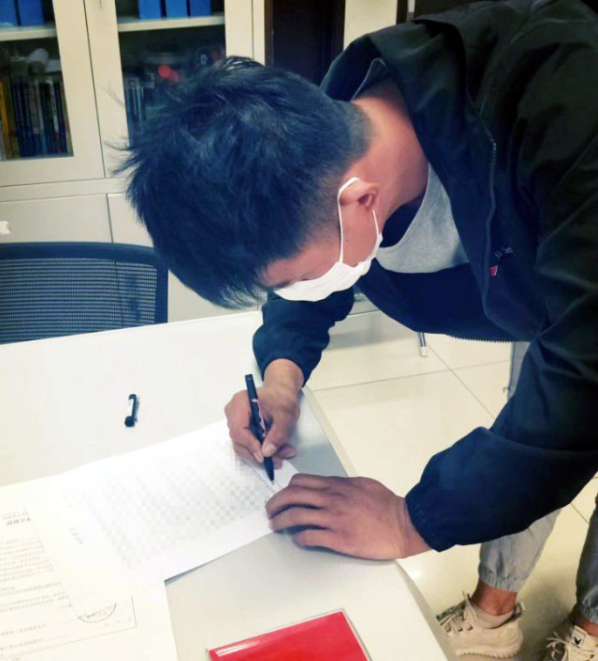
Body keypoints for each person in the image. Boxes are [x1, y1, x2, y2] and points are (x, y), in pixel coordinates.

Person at [113, 0, 598, 657]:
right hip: (547, 297)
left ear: (361, 200)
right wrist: (281, 379)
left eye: (292, 277)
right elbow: (311, 277)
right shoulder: (332, 138)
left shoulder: (564, 99)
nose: (292, 292)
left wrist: (410, 519)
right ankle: (497, 606)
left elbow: (582, 383)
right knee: (533, 423)